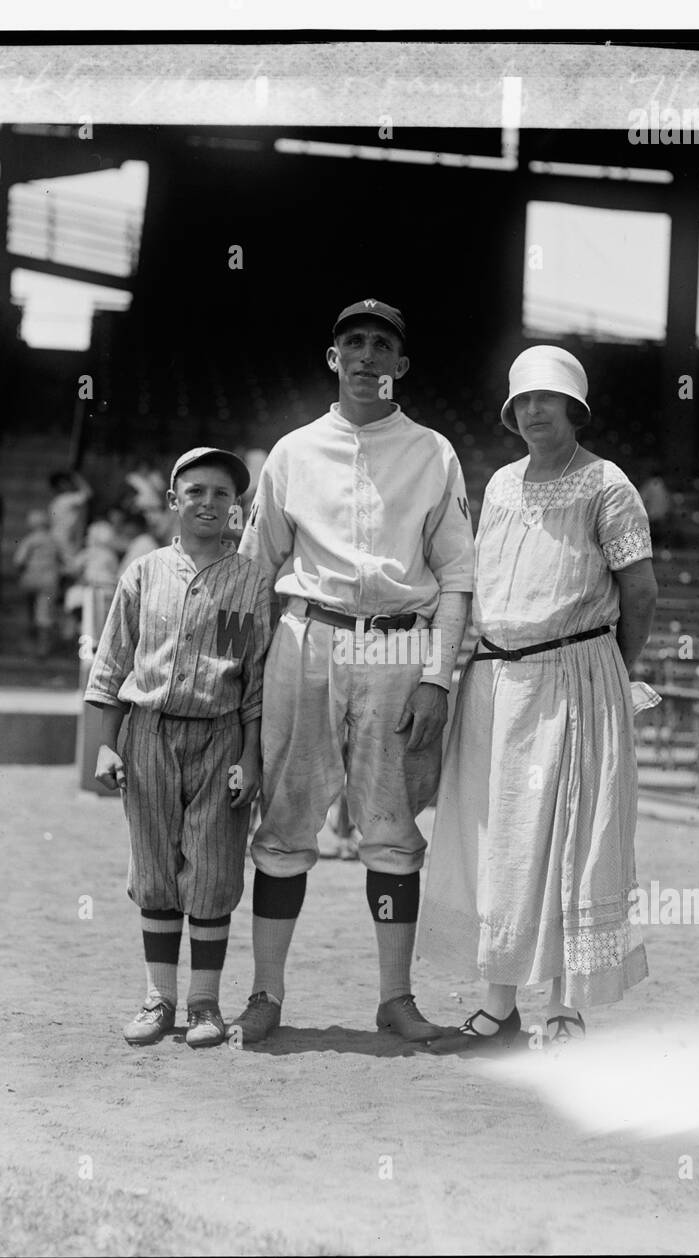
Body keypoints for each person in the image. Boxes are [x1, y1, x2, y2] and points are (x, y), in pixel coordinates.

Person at [234, 297, 475, 1044]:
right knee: (285, 822)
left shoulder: (433, 452)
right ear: (332, 359)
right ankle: (266, 993)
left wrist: (438, 675)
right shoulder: (293, 451)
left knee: (392, 827)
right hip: (309, 635)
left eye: (381, 345)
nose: (367, 355)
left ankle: (395, 998)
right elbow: (255, 568)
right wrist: (241, 680)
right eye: (353, 343)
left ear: (401, 365)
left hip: (398, 644)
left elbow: (459, 575)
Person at [417, 345, 658, 1054]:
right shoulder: (499, 486)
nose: (533, 411)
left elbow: (639, 591)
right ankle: (497, 1007)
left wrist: (614, 669)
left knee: (564, 839)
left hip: (575, 676)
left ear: (575, 408)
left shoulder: (607, 484)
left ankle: (562, 1010)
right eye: (522, 401)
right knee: (496, 843)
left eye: (547, 399)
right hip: (494, 681)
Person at [84, 447, 273, 1049]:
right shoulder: (142, 571)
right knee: (155, 869)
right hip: (149, 731)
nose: (209, 502)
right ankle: (159, 997)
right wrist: (105, 746)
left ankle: (205, 1003)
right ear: (173, 501)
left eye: (222, 493)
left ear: (237, 508)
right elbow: (111, 665)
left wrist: (250, 755)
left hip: (219, 735)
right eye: (196, 491)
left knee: (214, 870)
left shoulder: (252, 581)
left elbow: (256, 685)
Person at [13, 509, 63, 658]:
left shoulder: (30, 539)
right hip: (49, 580)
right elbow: (66, 560)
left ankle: (30, 643)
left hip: (31, 579)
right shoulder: (54, 540)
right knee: (44, 613)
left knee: (31, 611)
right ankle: (43, 647)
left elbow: (18, 560)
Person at [49, 470, 94, 566]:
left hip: (57, 534)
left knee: (65, 562)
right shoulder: (67, 498)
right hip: (65, 535)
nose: (69, 484)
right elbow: (88, 493)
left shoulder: (56, 500)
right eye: (66, 482)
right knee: (72, 562)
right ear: (60, 485)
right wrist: (78, 479)